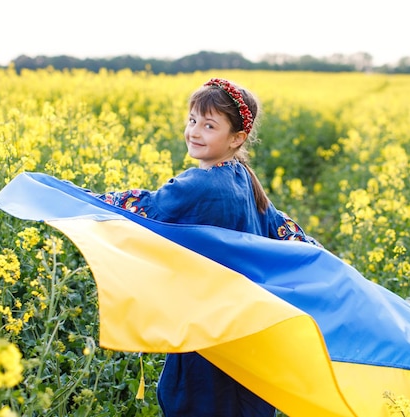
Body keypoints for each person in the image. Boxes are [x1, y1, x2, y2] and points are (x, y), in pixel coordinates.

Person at [95, 78, 321, 417]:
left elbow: (145, 208)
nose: (195, 131)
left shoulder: (203, 184)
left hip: (210, 331)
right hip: (247, 329)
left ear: (236, 138)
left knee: (199, 403)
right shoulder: (244, 178)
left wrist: (74, 199)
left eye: (209, 125)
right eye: (192, 120)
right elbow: (289, 234)